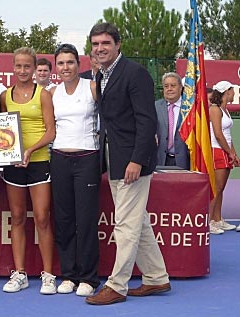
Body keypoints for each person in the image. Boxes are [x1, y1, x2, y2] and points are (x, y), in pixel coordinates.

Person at [85, 23, 170, 306]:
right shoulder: (101, 76)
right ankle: (157, 278)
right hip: (114, 160)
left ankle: (117, 285)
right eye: (95, 44)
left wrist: (136, 160)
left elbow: (148, 121)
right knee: (138, 222)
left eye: (105, 43)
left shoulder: (135, 73)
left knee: (125, 225)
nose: (100, 49)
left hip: (133, 162)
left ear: (118, 45)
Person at [0, 47, 56, 294]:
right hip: (13, 165)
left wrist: (30, 150)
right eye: (18, 66)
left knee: (42, 218)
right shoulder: (5, 96)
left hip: (39, 161)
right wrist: (6, 153)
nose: (22, 71)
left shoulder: (43, 95)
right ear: (13, 67)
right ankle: (20, 272)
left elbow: (51, 131)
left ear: (34, 69)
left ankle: (48, 275)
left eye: (27, 66)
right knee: (18, 217)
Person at [49, 43, 100, 297]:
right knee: (64, 220)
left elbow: (112, 117)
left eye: (70, 62)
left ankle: (88, 277)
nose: (65, 67)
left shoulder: (91, 87)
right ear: (55, 66)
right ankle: (68, 275)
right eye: (61, 63)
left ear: (79, 65)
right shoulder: (51, 92)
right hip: (59, 159)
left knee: (86, 220)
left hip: (88, 158)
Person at [208, 81, 239, 234]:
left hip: (225, 151)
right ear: (227, 92)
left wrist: (233, 152)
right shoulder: (214, 109)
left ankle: (218, 219)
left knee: (221, 189)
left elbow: (227, 136)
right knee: (216, 188)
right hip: (217, 150)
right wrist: (229, 152)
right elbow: (218, 135)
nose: (234, 94)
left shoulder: (224, 110)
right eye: (232, 91)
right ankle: (209, 222)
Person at [155, 72, 190, 169]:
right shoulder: (156, 107)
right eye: (166, 86)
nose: (169, 89)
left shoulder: (189, 108)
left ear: (181, 87)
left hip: (184, 160)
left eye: (173, 86)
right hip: (161, 160)